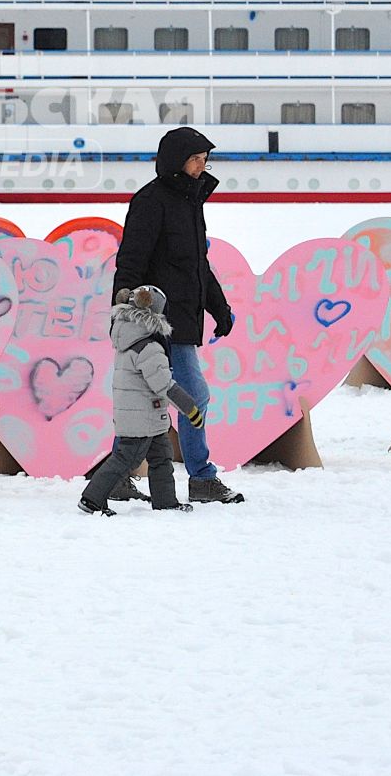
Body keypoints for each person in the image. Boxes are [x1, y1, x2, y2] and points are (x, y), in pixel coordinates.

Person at [109, 126, 246, 504]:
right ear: (176, 161)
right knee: (193, 396)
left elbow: (197, 265)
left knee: (150, 398)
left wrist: (220, 308)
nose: (202, 167)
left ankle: (120, 475)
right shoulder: (150, 202)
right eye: (195, 160)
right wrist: (122, 309)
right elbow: (131, 260)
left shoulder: (190, 202)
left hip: (183, 319)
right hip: (153, 319)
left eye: (205, 160)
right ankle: (201, 478)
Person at [80, 285, 204, 515]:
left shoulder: (128, 340)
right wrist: (191, 409)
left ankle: (166, 502)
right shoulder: (149, 347)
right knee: (125, 459)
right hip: (143, 417)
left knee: (161, 458)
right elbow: (164, 385)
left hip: (145, 415)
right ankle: (92, 499)